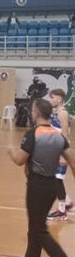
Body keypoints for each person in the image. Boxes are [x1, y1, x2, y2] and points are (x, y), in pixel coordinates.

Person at [7, 99, 75, 257]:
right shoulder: (58, 135)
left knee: (39, 231)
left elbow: (20, 160)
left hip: (37, 187)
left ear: (36, 112)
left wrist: (11, 151)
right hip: (52, 186)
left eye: (32, 110)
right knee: (35, 227)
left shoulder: (33, 134)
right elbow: (72, 162)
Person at [47, 89, 73, 221]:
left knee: (57, 179)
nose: (50, 100)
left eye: (52, 98)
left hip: (60, 151)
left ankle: (62, 210)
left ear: (59, 99)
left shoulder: (62, 113)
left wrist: (62, 154)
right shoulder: (56, 112)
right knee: (54, 179)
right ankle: (66, 202)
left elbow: (65, 134)